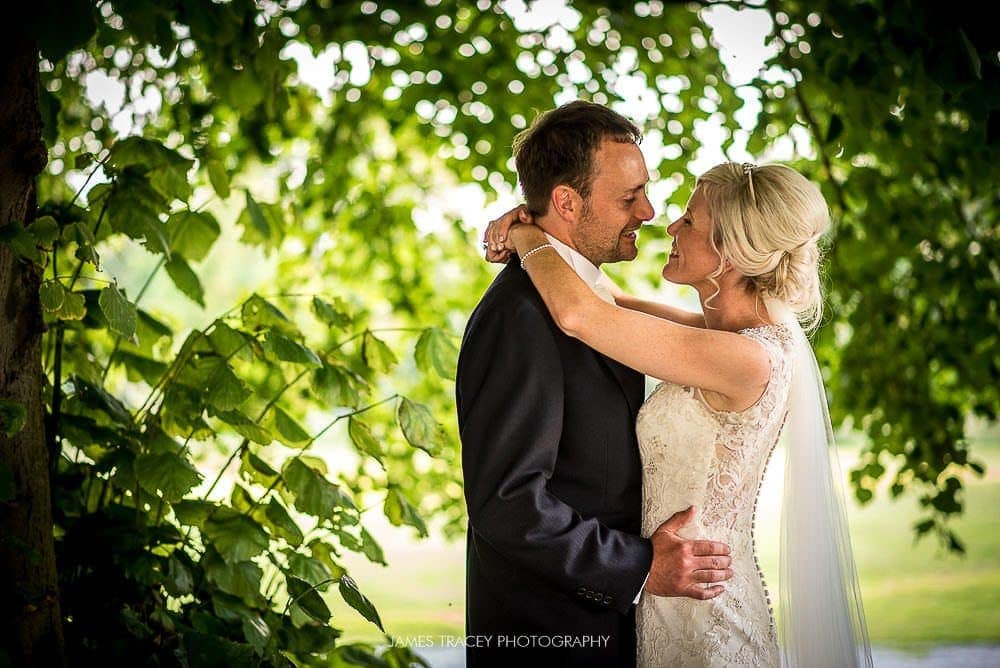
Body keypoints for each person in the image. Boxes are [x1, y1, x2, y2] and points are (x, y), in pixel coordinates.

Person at [484, 160, 873, 667]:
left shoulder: (746, 359)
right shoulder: (719, 339)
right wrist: (543, 235)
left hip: (704, 610)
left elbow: (582, 315)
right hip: (669, 588)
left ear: (730, 254)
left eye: (689, 221)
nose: (668, 226)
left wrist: (524, 235)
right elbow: (609, 300)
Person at [456, 101, 735, 668]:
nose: (650, 211)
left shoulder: (592, 301)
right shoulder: (521, 316)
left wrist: (530, 232)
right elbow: (509, 504)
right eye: (628, 198)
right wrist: (639, 567)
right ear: (566, 201)